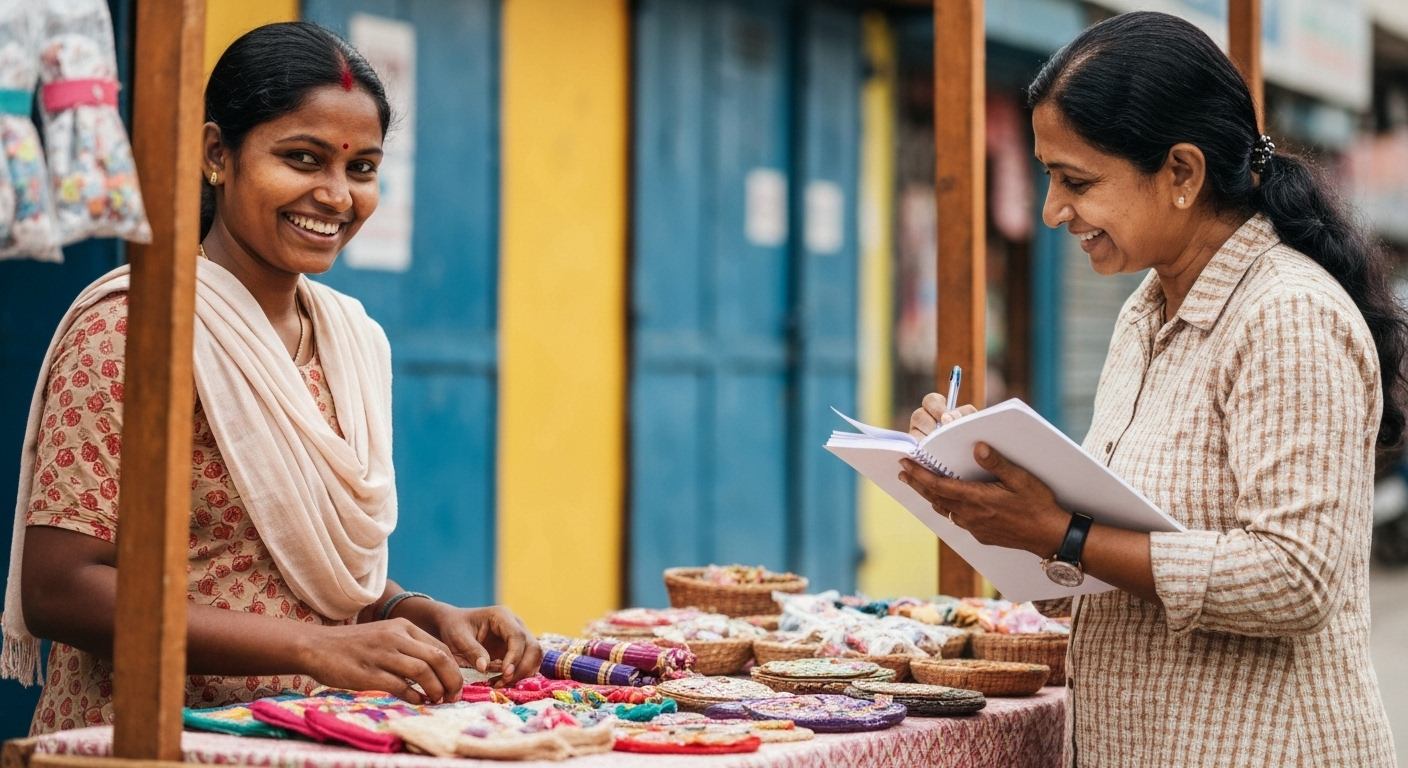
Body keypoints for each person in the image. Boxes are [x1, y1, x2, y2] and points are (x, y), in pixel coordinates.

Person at [3, 22, 541, 734]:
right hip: (149, 735)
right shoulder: (135, 330)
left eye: (361, 168)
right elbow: (58, 589)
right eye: (302, 158)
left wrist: (408, 612)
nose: (336, 195)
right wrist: (314, 648)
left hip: (311, 736)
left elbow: (297, 577)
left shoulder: (351, 341)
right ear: (217, 154)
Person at [900, 12, 1399, 766]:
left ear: (1182, 174)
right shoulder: (1147, 309)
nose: (1052, 212)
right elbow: (1111, 570)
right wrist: (991, 487)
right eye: (1047, 177)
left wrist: (1062, 532)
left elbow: (1296, 578)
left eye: (1077, 181)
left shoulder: (1287, 314)